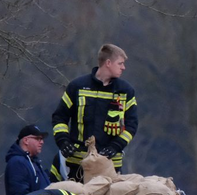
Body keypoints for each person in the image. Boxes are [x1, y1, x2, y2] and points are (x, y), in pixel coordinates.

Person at [51, 43, 139, 178]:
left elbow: (132, 125)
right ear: (108, 63)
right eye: (120, 63)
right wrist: (63, 141)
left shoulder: (125, 91)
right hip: (78, 163)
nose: (123, 67)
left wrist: (115, 146)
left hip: (110, 164)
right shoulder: (77, 87)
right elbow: (59, 117)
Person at [4, 125, 52, 195]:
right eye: (37, 139)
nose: (42, 142)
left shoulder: (34, 163)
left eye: (42, 139)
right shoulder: (17, 162)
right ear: (26, 140)